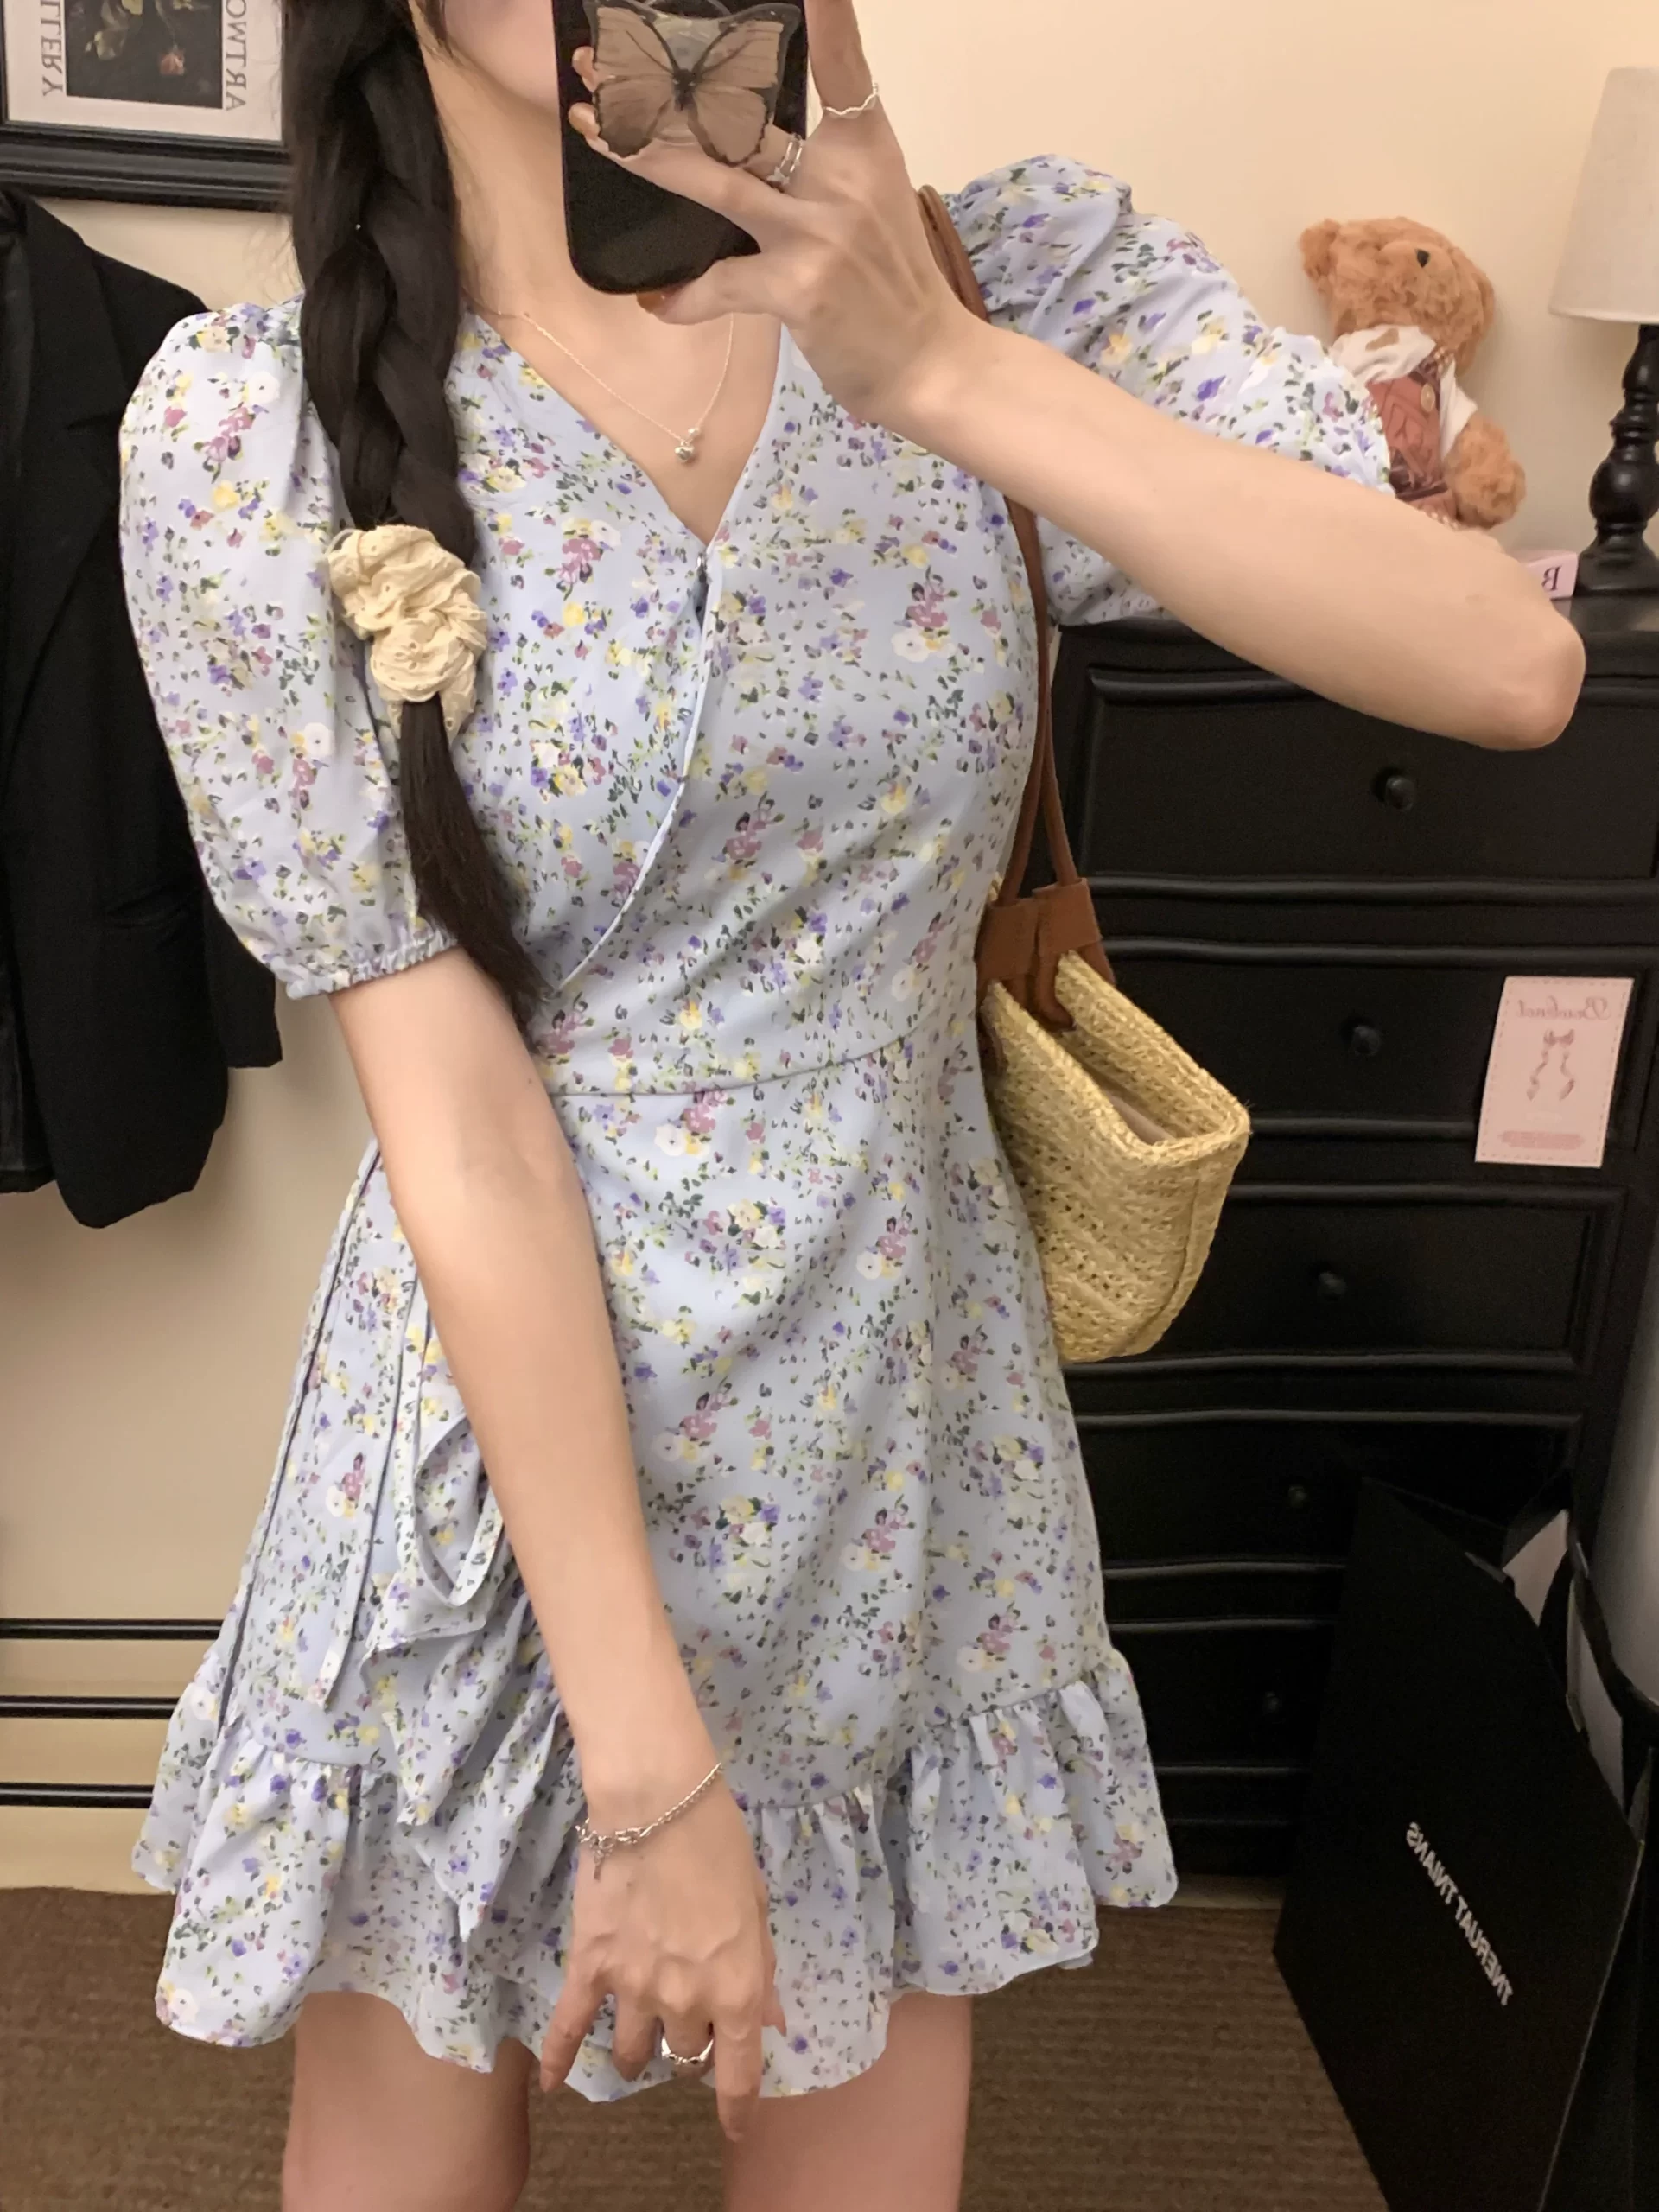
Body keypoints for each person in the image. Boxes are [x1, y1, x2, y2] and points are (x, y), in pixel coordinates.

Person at [118, 2, 1583, 2208]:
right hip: (496, 1449)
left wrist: (940, 369)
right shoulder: (257, 430)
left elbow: (1510, 661)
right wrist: (650, 1776)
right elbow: (464, 1127)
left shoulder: (1018, 289)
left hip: (902, 1427)